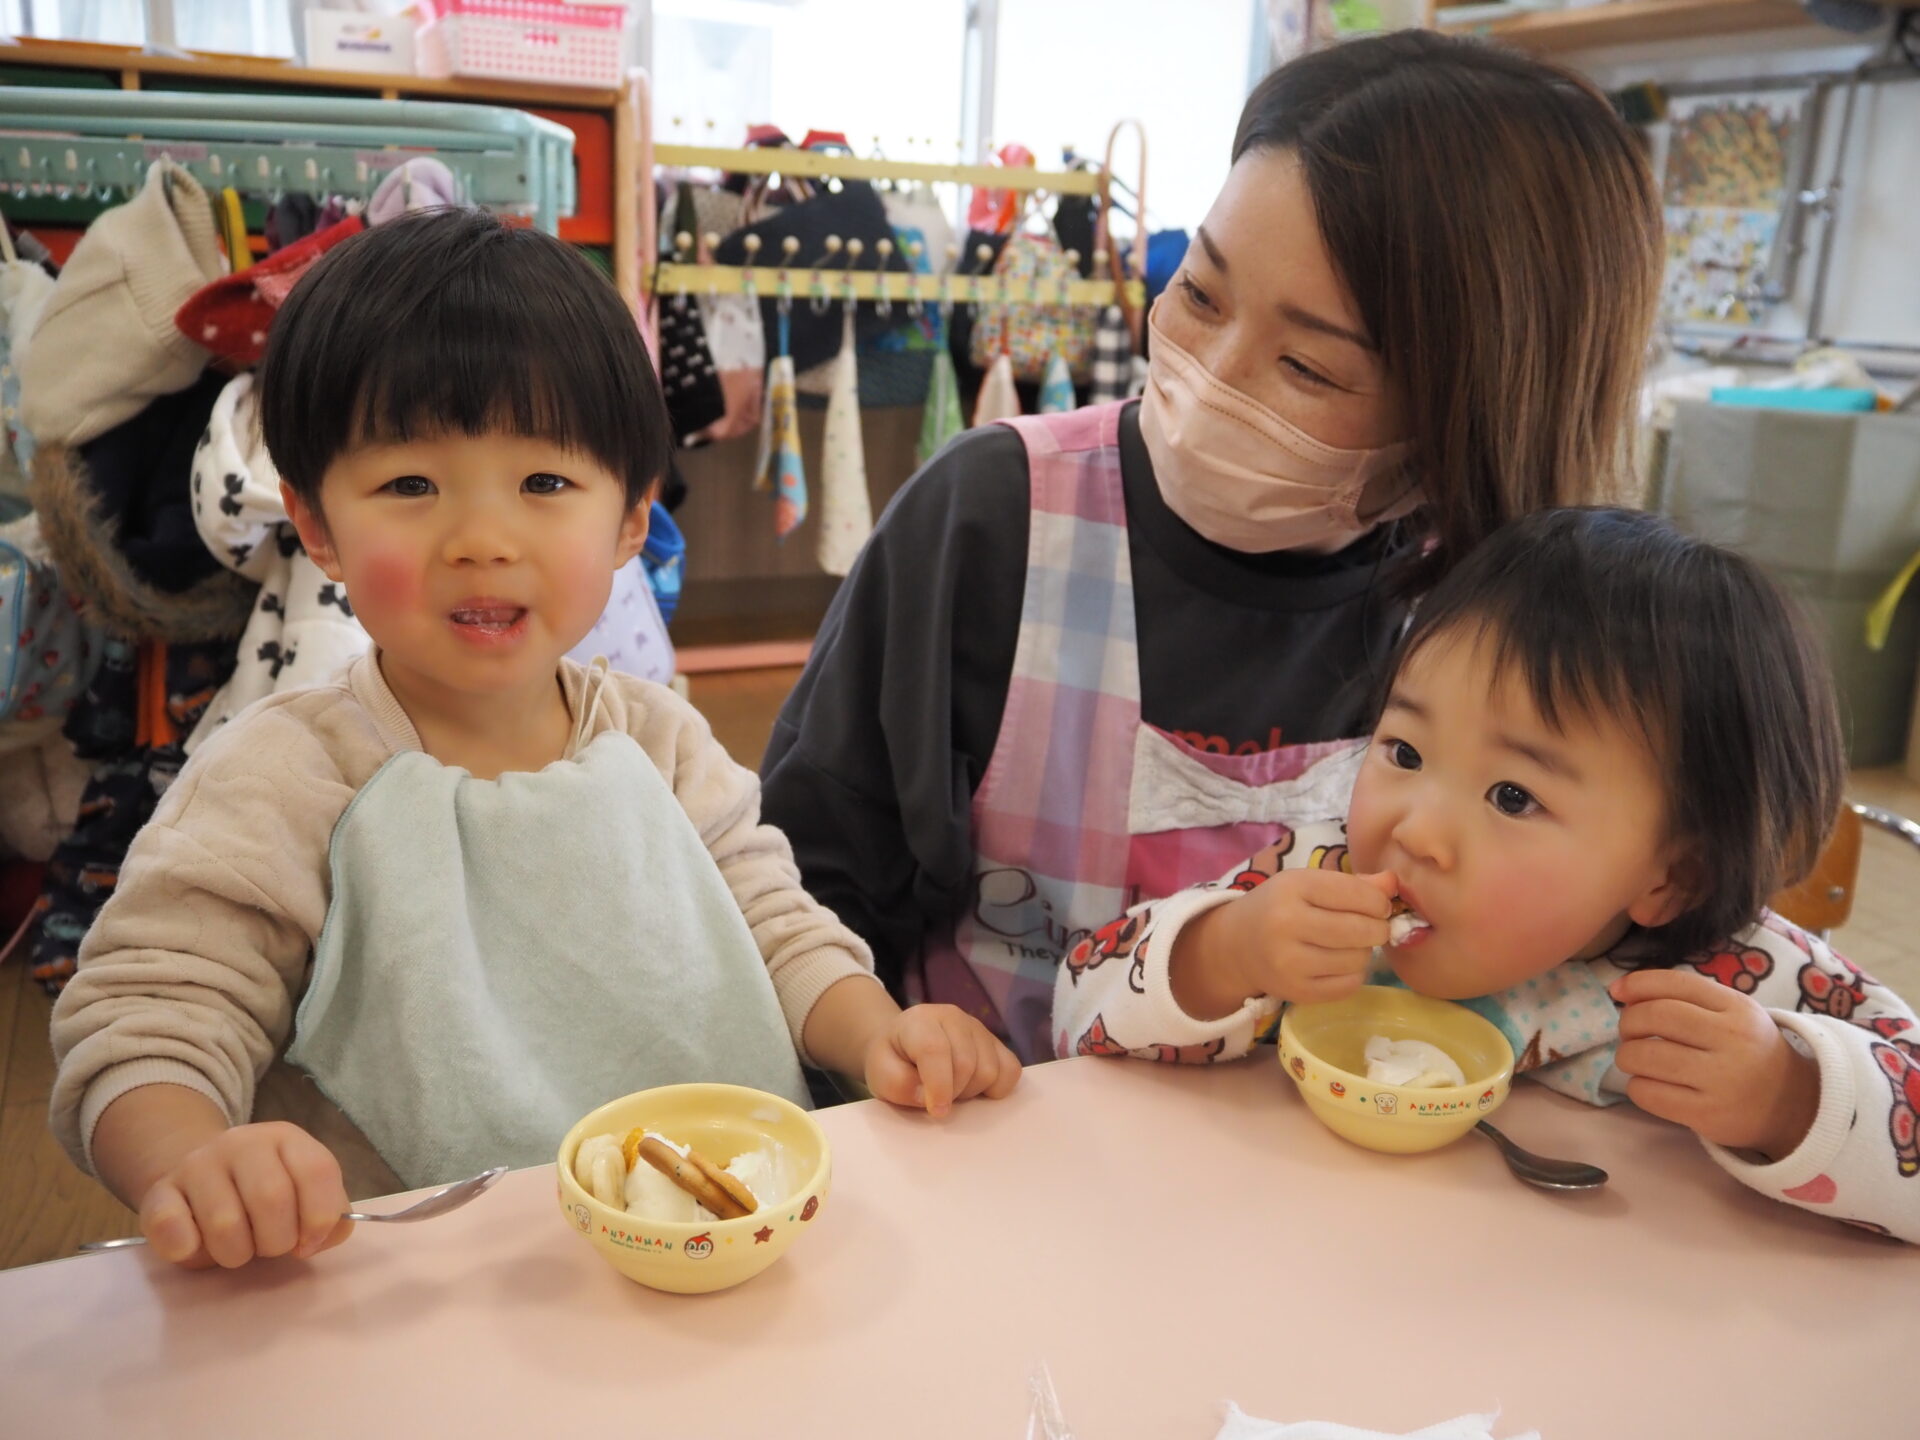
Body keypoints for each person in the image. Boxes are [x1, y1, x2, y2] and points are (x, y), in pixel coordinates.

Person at [48, 211, 1019, 1271]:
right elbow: (149, 1015)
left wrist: (880, 1033)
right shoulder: (284, 778)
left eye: (544, 484)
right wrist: (193, 1156)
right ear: (316, 524)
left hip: (721, 1242)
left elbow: (781, 933)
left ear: (631, 519)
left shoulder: (661, 741)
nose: (482, 541)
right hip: (428, 1282)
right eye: (411, 486)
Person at [760, 32, 1666, 1065]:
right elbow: (797, 894)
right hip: (997, 1127)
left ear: (1475, 411)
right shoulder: (995, 518)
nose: (1212, 378)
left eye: (1308, 367)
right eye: (1199, 293)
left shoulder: (1512, 610)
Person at [1056, 507, 1920, 1241]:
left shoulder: (1731, 975)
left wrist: (1788, 1096)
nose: (1416, 830)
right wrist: (1223, 952)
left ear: (1673, 877)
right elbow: (1076, 1011)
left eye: (1512, 796)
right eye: (1404, 751)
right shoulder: (1318, 877)